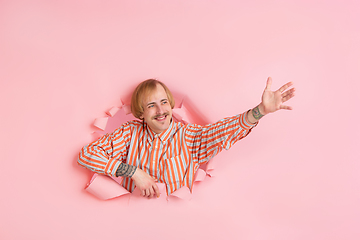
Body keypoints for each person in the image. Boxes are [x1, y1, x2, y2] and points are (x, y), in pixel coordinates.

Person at [78, 77, 295, 198]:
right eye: (151, 105)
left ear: (171, 105)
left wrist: (260, 111)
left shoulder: (190, 137)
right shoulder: (129, 133)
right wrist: (134, 172)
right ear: (141, 113)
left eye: (164, 102)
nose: (160, 110)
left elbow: (225, 130)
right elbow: (87, 154)